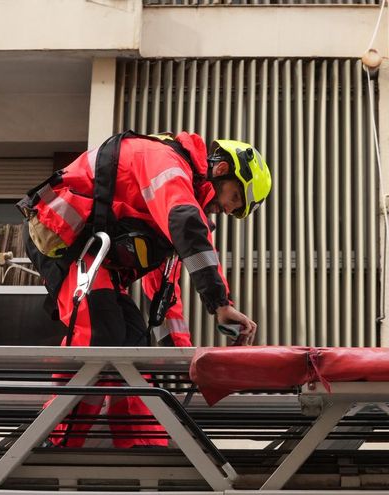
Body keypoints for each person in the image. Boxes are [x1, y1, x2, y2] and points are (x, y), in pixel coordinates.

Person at [17, 130, 271, 448]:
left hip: (96, 255)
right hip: (62, 235)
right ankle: (56, 442)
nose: (227, 209)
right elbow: (186, 222)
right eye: (234, 197)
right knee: (100, 337)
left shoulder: (179, 202)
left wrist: (180, 359)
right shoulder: (166, 164)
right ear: (221, 171)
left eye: (236, 209)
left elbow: (165, 290)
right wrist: (220, 303)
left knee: (136, 345)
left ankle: (141, 447)